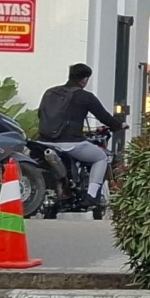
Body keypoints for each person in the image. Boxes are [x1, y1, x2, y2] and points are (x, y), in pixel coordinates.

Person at [36, 64, 122, 206]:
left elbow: (40, 114)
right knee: (101, 157)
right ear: (85, 79)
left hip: (44, 142)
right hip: (71, 143)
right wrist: (118, 125)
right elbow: (104, 117)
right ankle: (92, 195)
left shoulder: (50, 92)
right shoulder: (85, 96)